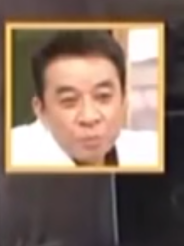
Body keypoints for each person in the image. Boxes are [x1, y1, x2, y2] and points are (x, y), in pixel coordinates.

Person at [9, 30, 158, 169]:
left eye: (103, 96)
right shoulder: (10, 154)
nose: (89, 117)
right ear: (40, 110)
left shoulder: (152, 150)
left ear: (124, 99)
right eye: (69, 101)